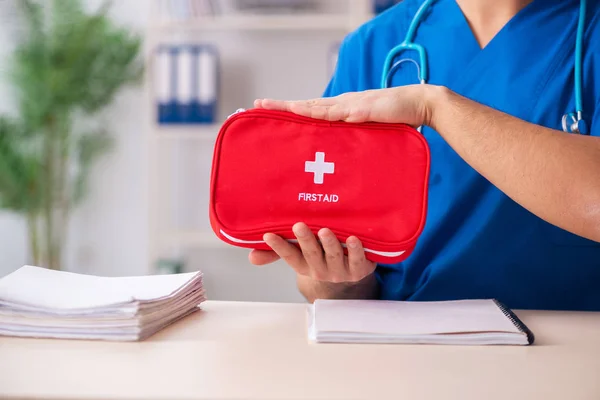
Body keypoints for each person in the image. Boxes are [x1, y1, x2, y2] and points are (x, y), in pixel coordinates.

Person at [248, 0, 600, 311]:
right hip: (405, 347)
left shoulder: (590, 35)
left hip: (567, 347)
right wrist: (337, 279)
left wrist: (436, 107)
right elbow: (325, 288)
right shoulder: (374, 45)